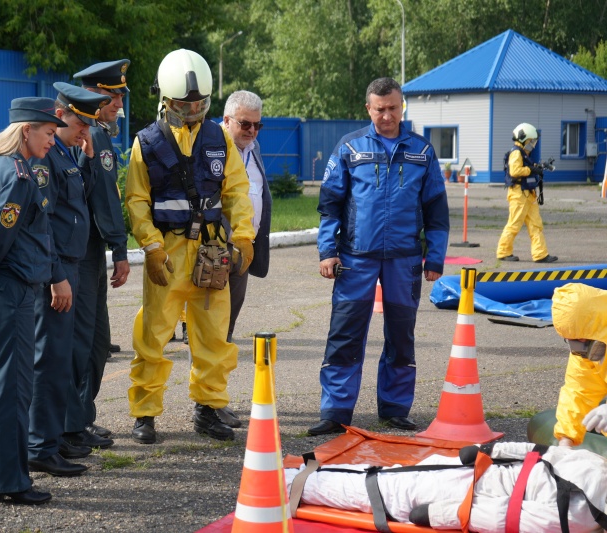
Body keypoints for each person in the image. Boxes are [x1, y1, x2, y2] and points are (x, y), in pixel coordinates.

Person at [125, 49, 255, 444]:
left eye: (199, 104)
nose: (194, 110)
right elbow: (136, 200)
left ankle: (209, 408)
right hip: (166, 253)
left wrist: (244, 236)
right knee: (153, 334)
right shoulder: (145, 143)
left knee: (214, 335)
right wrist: (150, 247)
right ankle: (145, 414)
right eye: (185, 104)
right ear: (166, 100)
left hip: (211, 253)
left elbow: (236, 190)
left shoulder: (220, 139)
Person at [309, 77, 450, 436]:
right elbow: (330, 205)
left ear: (401, 106)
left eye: (393, 108)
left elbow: (436, 210)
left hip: (404, 260)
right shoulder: (350, 147)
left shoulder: (422, 150)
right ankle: (335, 411)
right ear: (368, 108)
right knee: (344, 335)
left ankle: (395, 409)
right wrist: (327, 251)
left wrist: (434, 258)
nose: (387, 115)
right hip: (355, 258)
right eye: (380, 109)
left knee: (402, 336)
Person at [0, 97, 66, 505]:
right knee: (13, 386)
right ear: (27, 131)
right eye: (48, 133)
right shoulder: (20, 177)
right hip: (11, 289)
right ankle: (11, 481)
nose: (53, 142)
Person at [27, 84, 110, 477]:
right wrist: (57, 275)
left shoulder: (69, 154)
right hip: (56, 271)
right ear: (59, 117)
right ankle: (41, 444)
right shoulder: (47, 160)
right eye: (80, 124)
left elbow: (83, 203)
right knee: (50, 359)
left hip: (72, 265)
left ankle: (55, 437)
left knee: (63, 357)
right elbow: (43, 223)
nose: (85, 132)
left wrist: (89, 160)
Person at [284, 442, 607, 531]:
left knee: (388, 479)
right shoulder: (583, 514)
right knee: (387, 489)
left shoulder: (595, 466)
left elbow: (539, 451)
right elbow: (506, 517)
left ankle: (292, 478)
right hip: (469, 488)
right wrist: (441, 515)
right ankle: (285, 484)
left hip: (473, 473)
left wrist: (488, 449)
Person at [63, 59, 132, 450]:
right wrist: (119, 249)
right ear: (95, 95)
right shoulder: (93, 137)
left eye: (120, 95)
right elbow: (104, 200)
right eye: (113, 97)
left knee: (95, 339)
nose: (119, 104)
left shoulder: (99, 134)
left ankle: (80, 417)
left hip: (89, 249)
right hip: (82, 251)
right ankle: (73, 421)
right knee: (85, 340)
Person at [217, 89, 272, 428]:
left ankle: (214, 397)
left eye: (257, 125)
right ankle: (208, 402)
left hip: (244, 253)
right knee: (212, 331)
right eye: (245, 124)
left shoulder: (253, 149)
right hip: (217, 253)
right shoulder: (212, 147)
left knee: (227, 329)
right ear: (226, 121)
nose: (252, 131)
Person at [551, 283, 607, 447]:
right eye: (572, 339)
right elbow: (579, 391)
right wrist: (565, 441)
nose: (578, 344)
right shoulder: (588, 345)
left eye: (581, 338)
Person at [496, 123, 557, 263]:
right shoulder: (516, 152)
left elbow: (524, 167)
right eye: (531, 141)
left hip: (527, 194)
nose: (533, 144)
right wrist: (531, 170)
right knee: (514, 224)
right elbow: (515, 171)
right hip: (519, 194)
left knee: (535, 224)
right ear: (524, 139)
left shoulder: (523, 153)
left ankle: (540, 254)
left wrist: (537, 167)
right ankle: (503, 252)